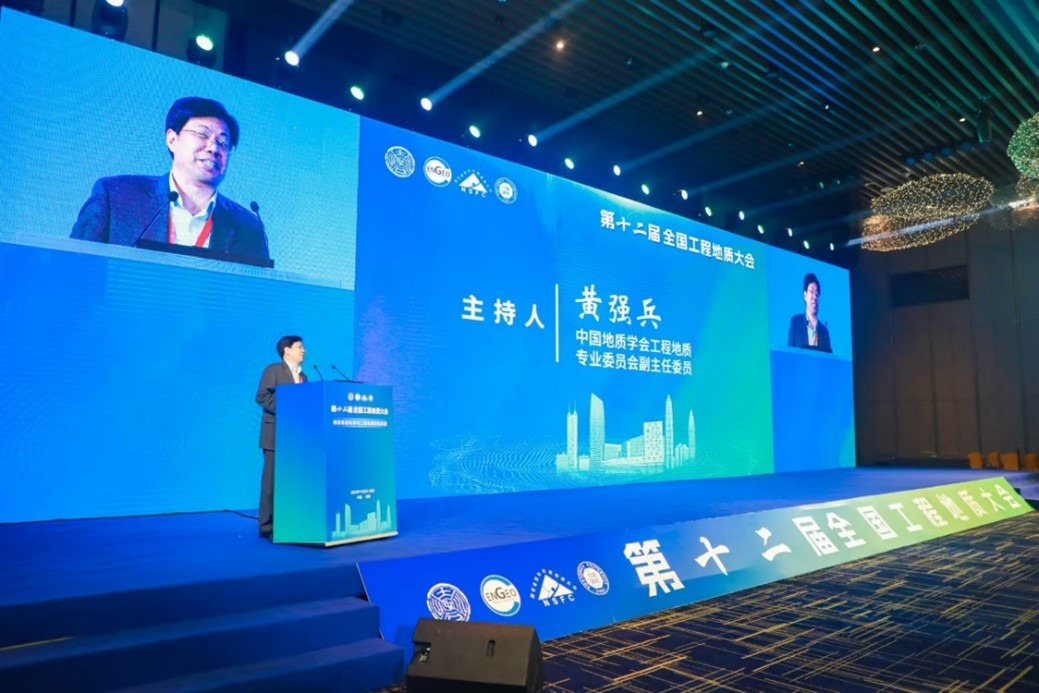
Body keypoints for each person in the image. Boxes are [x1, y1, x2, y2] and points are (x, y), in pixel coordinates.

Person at [70, 96, 270, 265]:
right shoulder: (116, 198)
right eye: (203, 134)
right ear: (172, 139)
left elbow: (257, 295)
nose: (213, 148)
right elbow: (74, 270)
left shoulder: (249, 227)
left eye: (223, 142)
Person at [255, 335, 307, 539]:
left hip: (296, 438)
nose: (304, 350)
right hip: (275, 434)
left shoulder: (304, 377)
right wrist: (288, 409)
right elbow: (262, 396)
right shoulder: (274, 370)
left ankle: (289, 521)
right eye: (299, 347)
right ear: (287, 350)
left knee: (292, 482)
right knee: (271, 483)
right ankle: (267, 527)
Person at [787, 272, 832, 353]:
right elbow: (789, 354)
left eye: (817, 294)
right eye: (811, 292)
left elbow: (828, 358)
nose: (814, 297)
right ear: (805, 295)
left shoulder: (824, 331)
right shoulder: (796, 323)